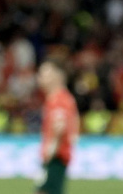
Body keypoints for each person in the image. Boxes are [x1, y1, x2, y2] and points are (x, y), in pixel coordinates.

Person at [35, 59, 80, 194]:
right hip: (58, 156)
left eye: (44, 74)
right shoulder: (64, 98)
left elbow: (59, 126)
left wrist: (51, 148)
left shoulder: (58, 99)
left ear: (57, 76)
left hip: (56, 157)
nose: (40, 78)